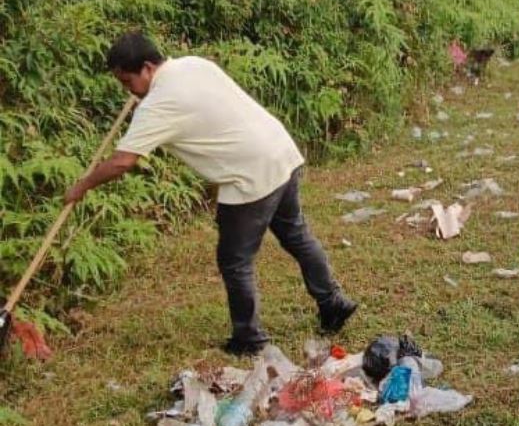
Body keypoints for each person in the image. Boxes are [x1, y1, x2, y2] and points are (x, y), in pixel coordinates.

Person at [65, 32, 357, 356]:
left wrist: (82, 186)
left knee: (234, 262)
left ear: (147, 68)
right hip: (279, 151)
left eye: (127, 81)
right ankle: (333, 302)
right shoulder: (193, 65)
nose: (127, 90)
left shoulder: (158, 105)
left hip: (249, 176)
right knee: (296, 234)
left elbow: (123, 161)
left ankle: (249, 339)